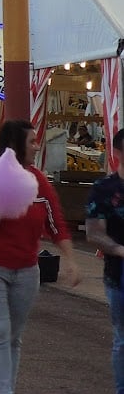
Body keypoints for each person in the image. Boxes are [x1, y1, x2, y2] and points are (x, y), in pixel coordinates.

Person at [0, 119, 80, 394]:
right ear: (16, 146)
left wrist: (71, 260)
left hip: (26, 269)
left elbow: (55, 222)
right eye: (32, 142)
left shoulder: (38, 181)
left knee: (13, 336)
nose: (37, 147)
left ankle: (7, 388)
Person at [86, 129, 124, 393]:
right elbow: (94, 233)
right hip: (118, 276)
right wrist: (120, 250)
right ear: (119, 153)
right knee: (123, 340)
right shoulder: (104, 189)